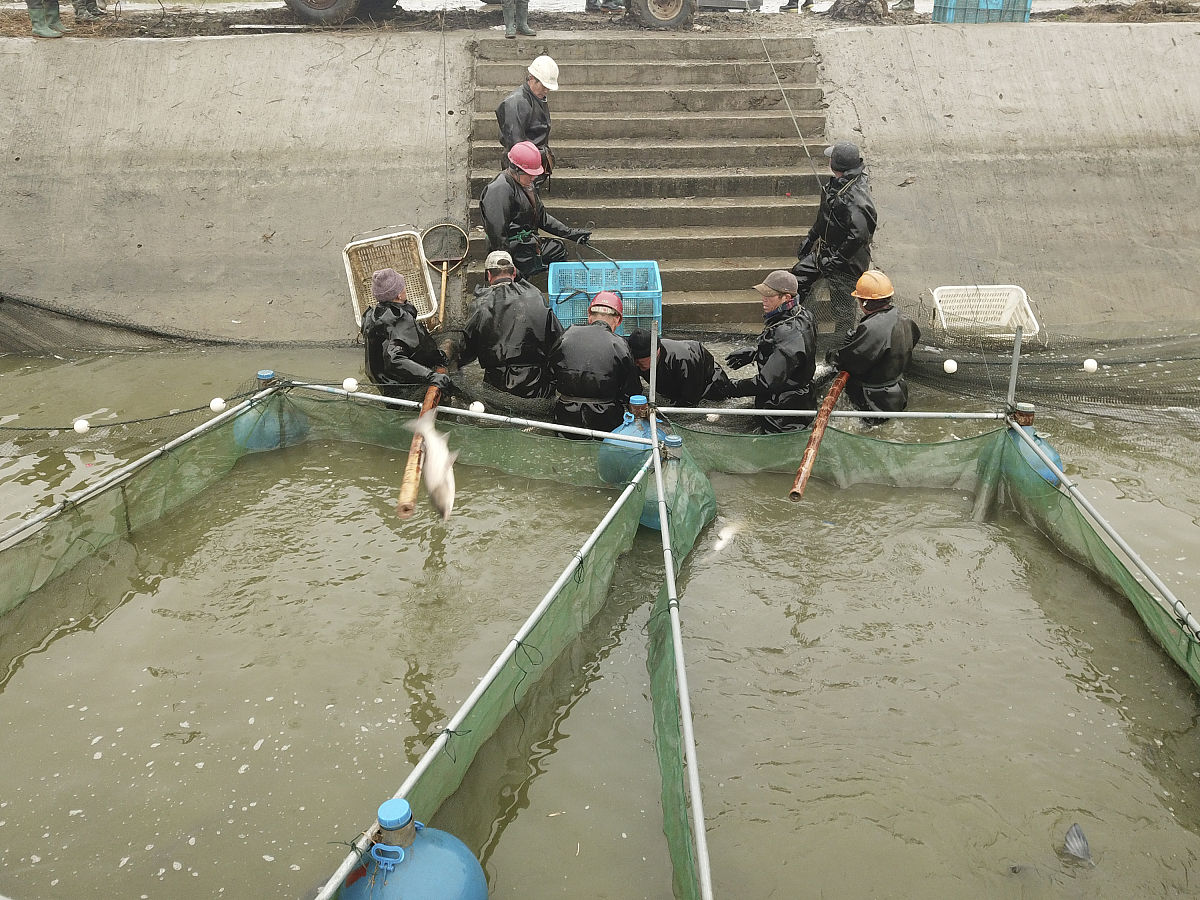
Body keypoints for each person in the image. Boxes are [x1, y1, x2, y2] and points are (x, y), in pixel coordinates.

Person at [791, 140, 878, 342]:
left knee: (843, 310)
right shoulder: (834, 186)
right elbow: (824, 217)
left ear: (836, 164)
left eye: (831, 157)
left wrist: (836, 261)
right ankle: (797, 328)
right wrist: (810, 237)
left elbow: (859, 236)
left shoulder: (856, 196)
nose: (828, 159)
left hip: (847, 261)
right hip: (824, 252)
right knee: (798, 279)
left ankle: (840, 348)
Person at [459, 250, 564, 399]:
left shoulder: (480, 304)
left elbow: (466, 350)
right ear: (514, 272)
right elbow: (558, 340)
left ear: (488, 275)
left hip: (497, 385)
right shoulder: (536, 296)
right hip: (537, 384)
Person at [479, 141, 591, 281]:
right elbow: (498, 238)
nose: (534, 178)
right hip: (511, 250)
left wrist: (570, 233)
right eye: (530, 174)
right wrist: (508, 268)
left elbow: (542, 218)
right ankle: (519, 282)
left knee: (557, 249)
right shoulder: (499, 190)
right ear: (515, 169)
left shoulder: (526, 183)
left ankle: (556, 288)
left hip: (527, 245)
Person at [725, 270, 819, 433]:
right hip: (801, 400)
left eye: (770, 295)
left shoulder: (788, 334)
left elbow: (767, 382)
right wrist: (756, 353)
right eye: (763, 293)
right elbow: (795, 357)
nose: (764, 299)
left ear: (786, 298)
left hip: (783, 413)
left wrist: (732, 387)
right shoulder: (803, 314)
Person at [826, 269, 921, 426]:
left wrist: (832, 356)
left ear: (865, 302)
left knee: (869, 432)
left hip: (874, 399)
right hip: (897, 391)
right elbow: (913, 338)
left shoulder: (872, 328)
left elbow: (851, 362)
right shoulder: (904, 318)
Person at [547, 291, 643, 437]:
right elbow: (631, 391)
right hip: (606, 420)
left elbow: (550, 373)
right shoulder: (619, 344)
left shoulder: (566, 336)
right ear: (618, 320)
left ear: (590, 316)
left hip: (566, 418)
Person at [360, 268, 452, 401]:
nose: (405, 289)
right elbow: (395, 359)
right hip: (405, 389)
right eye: (403, 287)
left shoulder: (370, 316)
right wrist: (431, 375)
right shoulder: (400, 319)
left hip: (385, 387)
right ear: (398, 295)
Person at [626, 329, 733, 407]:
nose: (636, 364)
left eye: (639, 361)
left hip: (710, 384)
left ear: (655, 352)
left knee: (726, 392)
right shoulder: (637, 360)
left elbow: (690, 400)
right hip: (671, 382)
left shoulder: (684, 360)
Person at [496, 58, 557, 168]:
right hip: (520, 168)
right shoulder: (515, 103)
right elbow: (517, 146)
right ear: (532, 79)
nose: (546, 91)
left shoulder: (536, 97)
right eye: (543, 86)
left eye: (548, 88)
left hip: (533, 163)